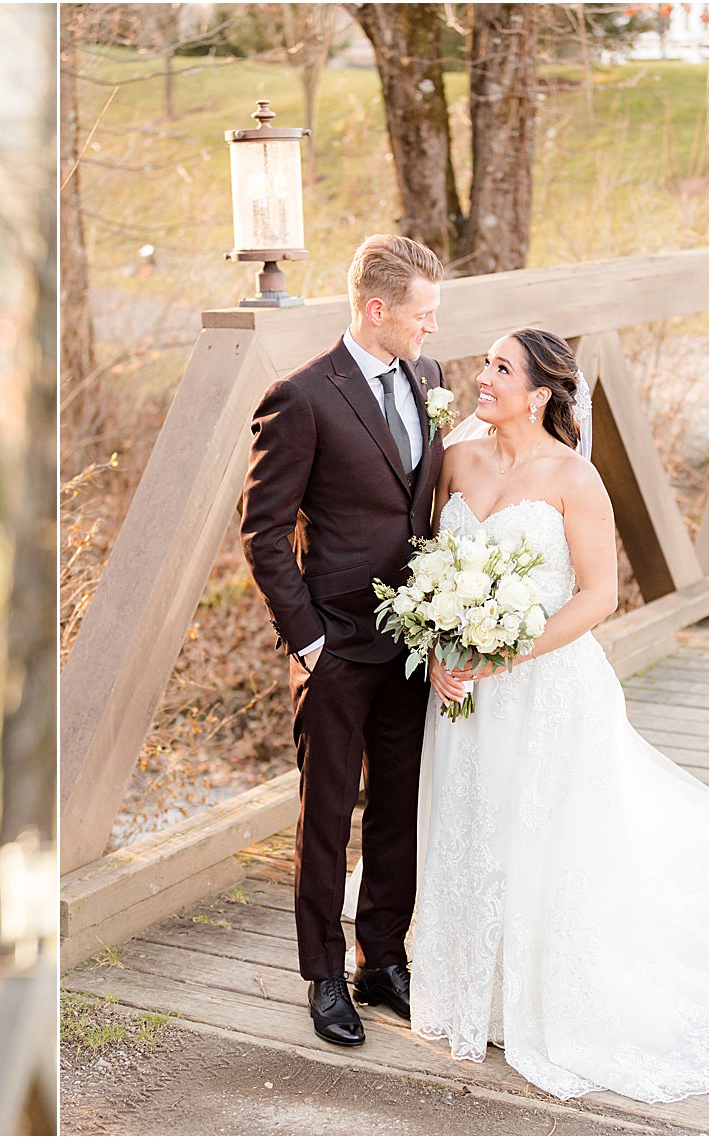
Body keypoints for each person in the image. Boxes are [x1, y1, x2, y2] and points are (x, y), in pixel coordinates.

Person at [412, 328, 709, 1101]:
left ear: (538, 395)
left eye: (501, 368)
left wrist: (503, 654)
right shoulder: (456, 458)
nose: (481, 375)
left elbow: (600, 595)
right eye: (485, 362)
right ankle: (476, 983)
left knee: (542, 839)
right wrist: (440, 650)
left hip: (543, 688)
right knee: (472, 823)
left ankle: (550, 991)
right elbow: (434, 567)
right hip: (464, 689)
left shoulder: (574, 478)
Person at [240, 234, 447, 1047]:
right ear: (376, 310)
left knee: (399, 806)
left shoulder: (429, 378)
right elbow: (263, 534)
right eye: (422, 315)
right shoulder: (302, 397)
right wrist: (311, 645)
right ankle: (325, 974)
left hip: (411, 640)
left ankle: (380, 958)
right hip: (335, 645)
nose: (432, 329)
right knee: (326, 814)